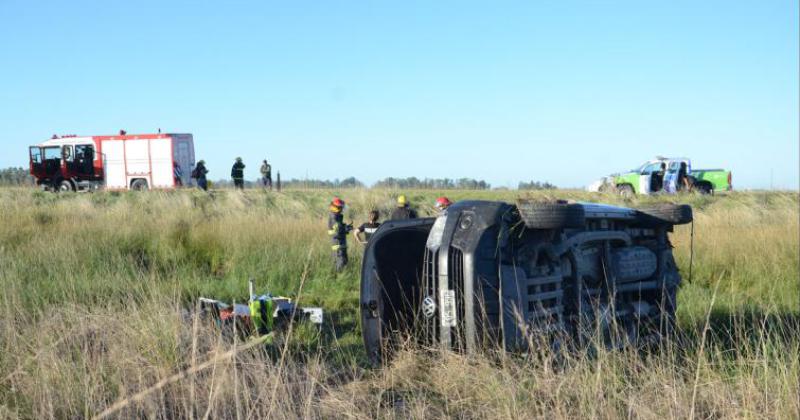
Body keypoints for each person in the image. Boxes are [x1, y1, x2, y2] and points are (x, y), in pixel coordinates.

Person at [328, 197, 353, 271]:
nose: (342, 209)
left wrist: (346, 227)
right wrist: (346, 229)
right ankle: (339, 279)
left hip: (340, 244)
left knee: (344, 263)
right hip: (338, 245)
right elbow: (336, 232)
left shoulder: (337, 216)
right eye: (341, 207)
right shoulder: (334, 217)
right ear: (337, 207)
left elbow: (339, 228)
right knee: (340, 265)